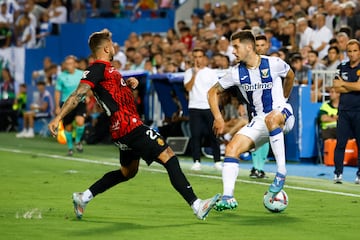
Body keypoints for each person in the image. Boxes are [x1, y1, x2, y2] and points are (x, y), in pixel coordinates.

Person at [48, 29, 220, 220]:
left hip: (119, 130)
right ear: (106, 48)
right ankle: (197, 204)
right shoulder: (97, 69)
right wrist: (59, 118)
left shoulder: (109, 71)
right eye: (111, 44)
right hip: (129, 127)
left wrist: (127, 84)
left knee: (128, 172)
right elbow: (78, 94)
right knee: (168, 155)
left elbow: (111, 94)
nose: (114, 47)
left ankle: (84, 197)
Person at [207, 30, 295, 211]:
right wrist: (218, 117)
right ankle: (228, 197)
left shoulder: (274, 63)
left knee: (272, 118)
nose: (233, 51)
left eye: (236, 47)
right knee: (232, 148)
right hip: (260, 120)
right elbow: (212, 92)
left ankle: (281, 172)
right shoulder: (236, 73)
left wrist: (284, 98)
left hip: (282, 114)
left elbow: (291, 75)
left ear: (249, 47)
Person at [184, 47, 222, 171]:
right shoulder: (189, 72)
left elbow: (216, 92)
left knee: (213, 134)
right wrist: (195, 73)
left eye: (200, 57)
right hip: (194, 107)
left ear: (204, 58)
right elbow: (188, 88)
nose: (197, 59)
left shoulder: (211, 73)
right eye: (195, 57)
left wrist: (217, 108)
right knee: (195, 135)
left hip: (208, 107)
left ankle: (217, 161)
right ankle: (196, 160)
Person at [332, 39, 360, 184]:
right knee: (340, 143)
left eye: (355, 50)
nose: (352, 54)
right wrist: (352, 85)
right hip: (344, 111)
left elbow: (359, 87)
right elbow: (336, 87)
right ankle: (338, 173)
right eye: (350, 51)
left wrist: (344, 84)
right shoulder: (341, 66)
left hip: (358, 110)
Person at [54, 55, 85, 156]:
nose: (68, 65)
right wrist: (57, 106)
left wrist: (88, 95)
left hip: (80, 101)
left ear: (75, 64)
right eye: (67, 64)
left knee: (80, 121)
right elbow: (57, 92)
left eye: (71, 63)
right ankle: (70, 148)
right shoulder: (62, 76)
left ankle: (78, 141)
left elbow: (87, 86)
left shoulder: (81, 74)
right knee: (68, 127)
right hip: (66, 103)